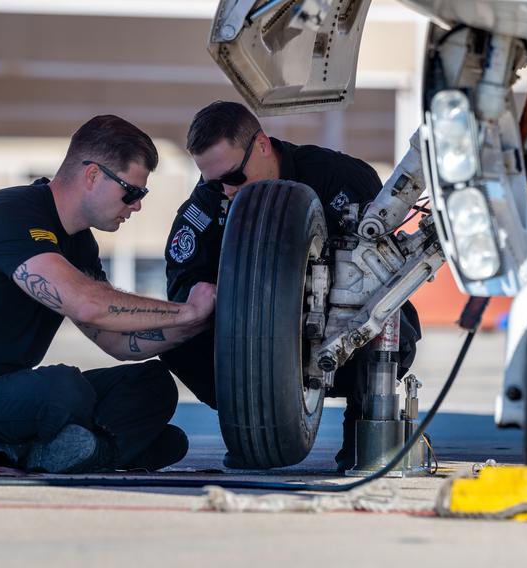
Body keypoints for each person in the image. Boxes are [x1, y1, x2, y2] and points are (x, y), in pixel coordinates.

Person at [0, 115, 216, 474]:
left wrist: (203, 321)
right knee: (62, 389)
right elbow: (88, 303)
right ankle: (69, 450)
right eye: (132, 192)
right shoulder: (9, 215)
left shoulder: (78, 243)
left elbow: (116, 342)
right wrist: (185, 312)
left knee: (153, 386)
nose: (136, 205)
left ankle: (62, 450)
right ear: (93, 175)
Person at [160, 101, 420, 471]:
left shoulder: (339, 178)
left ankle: (365, 430)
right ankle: (248, 423)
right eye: (213, 182)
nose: (227, 191)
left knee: (387, 321)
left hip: (337, 333)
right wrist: (230, 302)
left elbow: (380, 270)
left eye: (234, 177)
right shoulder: (209, 203)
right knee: (177, 338)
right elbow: (183, 283)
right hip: (251, 340)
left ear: (262, 145)